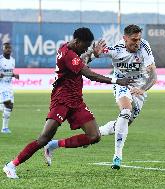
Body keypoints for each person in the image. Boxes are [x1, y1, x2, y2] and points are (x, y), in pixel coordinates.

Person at [3, 27, 133, 179]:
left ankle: (55, 145)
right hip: (62, 101)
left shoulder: (68, 48)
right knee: (43, 138)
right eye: (85, 46)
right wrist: (117, 81)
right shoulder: (67, 54)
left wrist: (92, 54)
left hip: (76, 101)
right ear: (77, 42)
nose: (85, 49)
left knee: (94, 136)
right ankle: (11, 165)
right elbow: (88, 73)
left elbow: (80, 61)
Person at [47, 24, 157, 170]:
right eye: (133, 40)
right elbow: (85, 60)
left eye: (138, 39)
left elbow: (153, 76)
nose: (137, 43)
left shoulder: (144, 47)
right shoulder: (116, 50)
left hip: (139, 88)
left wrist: (143, 89)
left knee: (122, 124)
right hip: (121, 84)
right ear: (124, 38)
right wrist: (94, 53)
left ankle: (62, 142)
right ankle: (117, 157)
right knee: (125, 112)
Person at [0, 42, 19, 134]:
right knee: (7, 104)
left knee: (10, 106)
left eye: (9, 48)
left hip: (9, 85)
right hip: (1, 85)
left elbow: (10, 72)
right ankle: (4, 129)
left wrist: (14, 75)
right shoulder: (0, 60)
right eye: (6, 48)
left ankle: (5, 128)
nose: (8, 49)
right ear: (3, 49)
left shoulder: (12, 60)